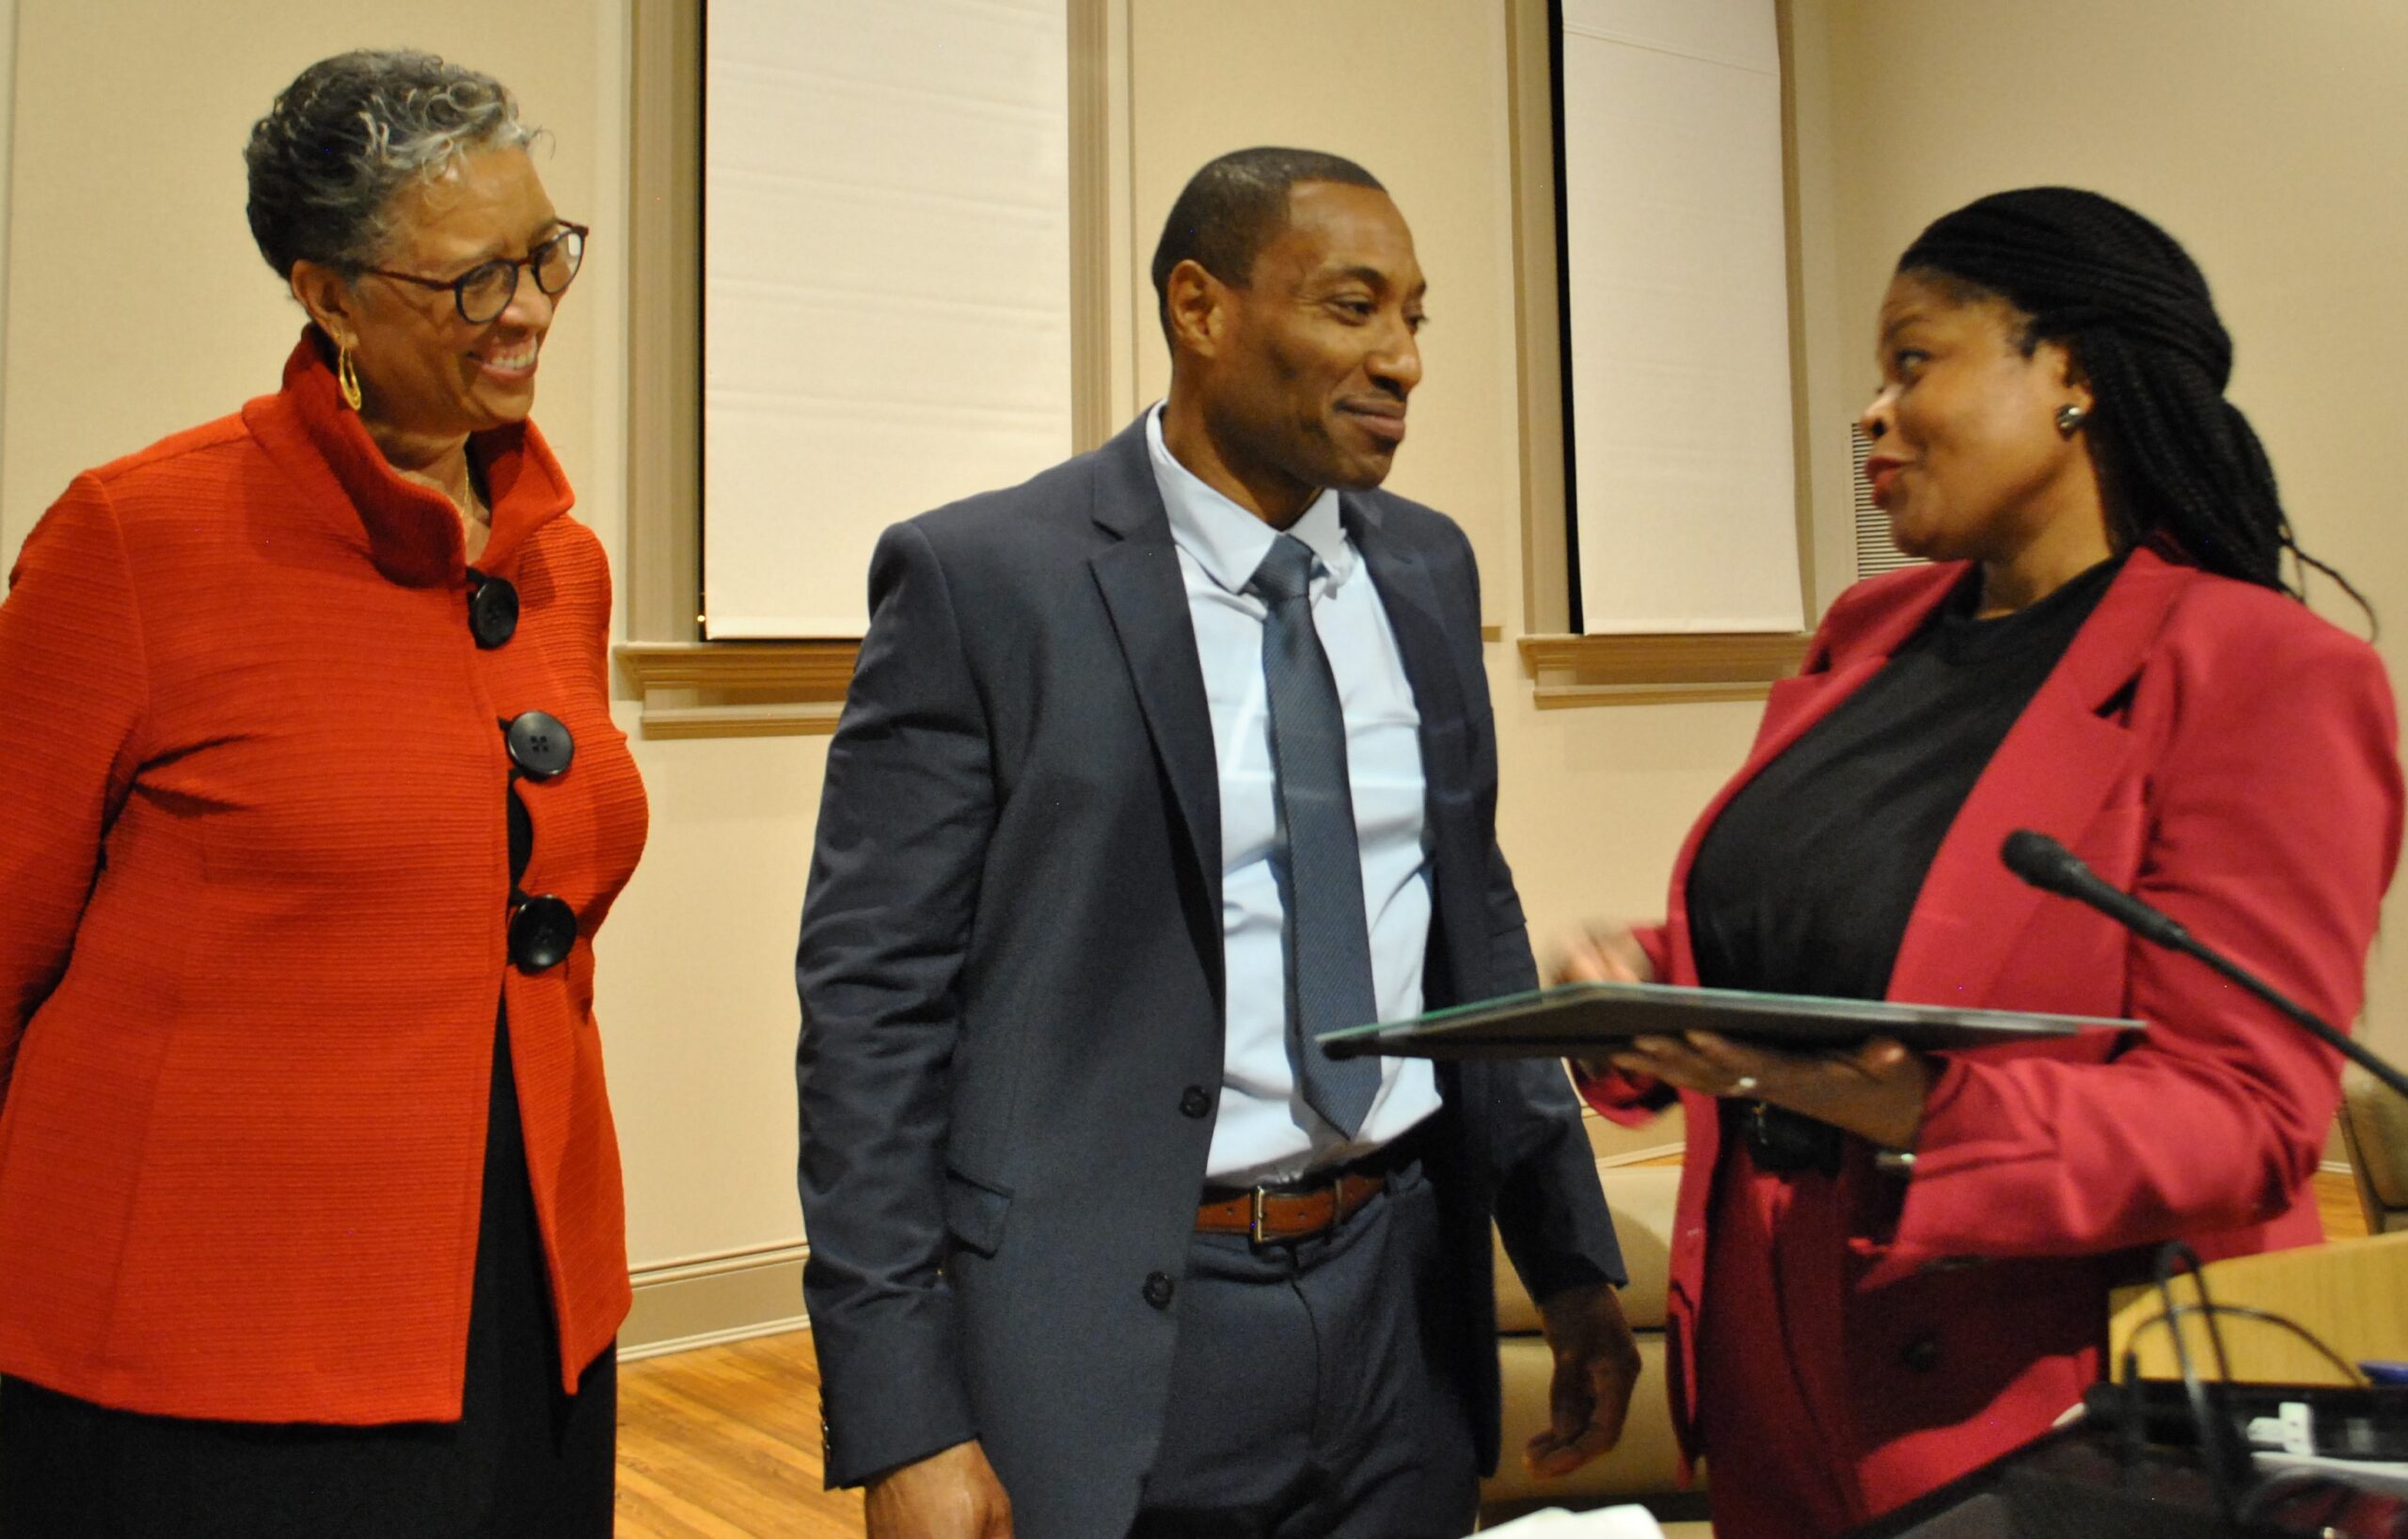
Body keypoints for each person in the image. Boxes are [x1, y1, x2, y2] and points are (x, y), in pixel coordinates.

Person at [796, 146, 1637, 1539]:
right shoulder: (988, 580)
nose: (1403, 360)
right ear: (1202, 307)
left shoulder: (1427, 567)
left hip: (1400, 1306)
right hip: (1117, 1331)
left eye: (1414, 317)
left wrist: (1565, 1263)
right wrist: (905, 1415)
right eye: (1354, 307)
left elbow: (1468, 920)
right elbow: (872, 1013)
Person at [1560, 185, 2403, 1538]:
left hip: (2049, 1412)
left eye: (1914, 362)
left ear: (2068, 372)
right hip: (1777, 1381)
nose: (1873, 413)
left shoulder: (2262, 671)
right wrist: (1644, 983)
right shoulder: (1870, 632)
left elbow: (2247, 1116)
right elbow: (1859, 925)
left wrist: (1924, 1113)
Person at [0, 50, 646, 1537]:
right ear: (329, 296)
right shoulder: (137, 537)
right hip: (207, 1345)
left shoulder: (562, 563)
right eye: (474, 279)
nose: (530, 308)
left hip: (526, 1299)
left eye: (546, 253)